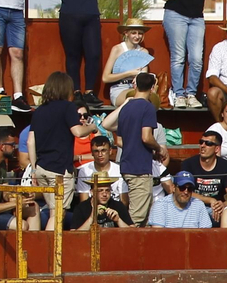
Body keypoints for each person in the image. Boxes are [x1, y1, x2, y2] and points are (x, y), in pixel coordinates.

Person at [49, 0, 135, 106]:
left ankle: (89, 92)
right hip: (69, 16)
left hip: (91, 17)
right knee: (73, 55)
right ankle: (75, 91)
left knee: (93, 54)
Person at [28, 72, 93, 188]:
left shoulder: (39, 111)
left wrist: (33, 170)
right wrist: (93, 127)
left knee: (52, 205)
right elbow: (78, 132)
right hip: (59, 169)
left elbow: (30, 142)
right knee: (60, 206)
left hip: (41, 168)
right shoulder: (68, 107)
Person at [111, 72, 161, 224]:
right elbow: (146, 137)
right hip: (139, 168)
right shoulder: (148, 107)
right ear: (152, 88)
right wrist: (159, 148)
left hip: (126, 164)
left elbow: (119, 140)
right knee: (137, 218)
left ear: (135, 85)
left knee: (141, 215)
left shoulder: (125, 108)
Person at [0, 131, 32, 230]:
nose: (14, 148)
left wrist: (17, 196)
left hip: (1, 210)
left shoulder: (2, 164)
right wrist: (13, 204)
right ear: (2, 147)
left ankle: (35, 243)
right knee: (22, 225)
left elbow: (5, 191)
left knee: (33, 208)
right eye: (12, 145)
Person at [102, 19, 154, 106]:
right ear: (126, 33)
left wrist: (139, 77)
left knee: (146, 97)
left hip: (138, 88)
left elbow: (144, 77)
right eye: (134, 33)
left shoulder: (144, 52)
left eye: (140, 33)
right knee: (137, 99)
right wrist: (129, 73)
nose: (137, 36)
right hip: (119, 89)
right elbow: (105, 78)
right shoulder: (117, 49)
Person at [74, 135, 124, 202]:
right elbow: (84, 201)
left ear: (110, 151)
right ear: (92, 153)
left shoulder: (119, 170)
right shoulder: (84, 171)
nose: (100, 155)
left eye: (103, 150)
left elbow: (124, 200)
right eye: (96, 151)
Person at [66, 178, 130, 230]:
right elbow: (75, 235)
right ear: (92, 192)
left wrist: (118, 220)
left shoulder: (118, 206)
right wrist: (91, 218)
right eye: (100, 190)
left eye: (107, 190)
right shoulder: (81, 208)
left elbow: (132, 232)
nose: (105, 194)